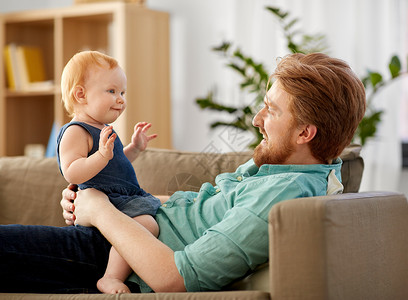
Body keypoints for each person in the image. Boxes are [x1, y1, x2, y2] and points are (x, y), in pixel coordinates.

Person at [0, 52, 366, 293]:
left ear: (305, 133)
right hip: (125, 228)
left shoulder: (279, 197)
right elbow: (199, 210)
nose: (257, 120)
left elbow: (175, 278)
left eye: (271, 110)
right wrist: (99, 200)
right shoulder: (291, 171)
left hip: (115, 255)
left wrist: (102, 212)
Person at [57, 50, 161, 294]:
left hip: (123, 198)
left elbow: (116, 162)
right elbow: (72, 172)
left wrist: (134, 148)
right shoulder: (76, 131)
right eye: (112, 91)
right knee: (147, 224)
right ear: (81, 95)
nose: (121, 99)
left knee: (149, 221)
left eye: (123, 92)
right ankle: (111, 277)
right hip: (105, 202)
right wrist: (102, 155)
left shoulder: (103, 129)